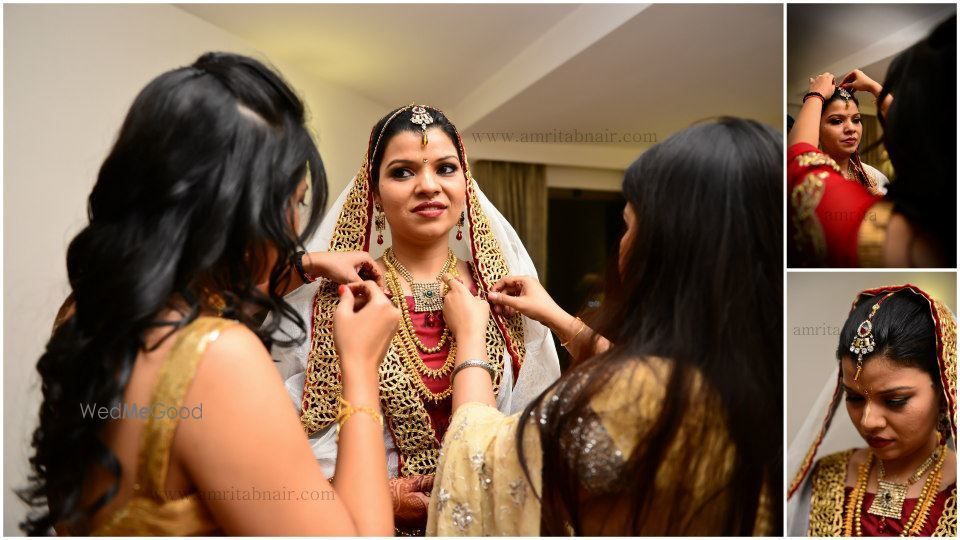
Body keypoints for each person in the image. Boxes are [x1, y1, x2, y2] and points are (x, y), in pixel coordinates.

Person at [19, 52, 400, 536]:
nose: (295, 228)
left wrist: (305, 266)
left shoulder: (85, 314)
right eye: (295, 202)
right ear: (244, 209)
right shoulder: (216, 361)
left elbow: (197, 283)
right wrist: (361, 369)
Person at [427, 117, 783, 535]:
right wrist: (561, 319)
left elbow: (480, 463)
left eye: (629, 225)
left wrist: (470, 342)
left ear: (668, 248)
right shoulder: (756, 368)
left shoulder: (639, 395)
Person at [270, 104, 561, 532]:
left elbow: (533, 436)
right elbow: (286, 448)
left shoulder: (503, 296)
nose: (428, 186)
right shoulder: (343, 298)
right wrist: (373, 496)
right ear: (374, 192)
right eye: (403, 172)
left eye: (445, 168)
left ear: (466, 184)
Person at [787, 15, 956, 267]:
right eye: (836, 121)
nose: (851, 129)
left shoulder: (875, 178)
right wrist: (878, 89)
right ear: (817, 129)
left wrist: (815, 94)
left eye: (856, 119)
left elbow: (798, 158)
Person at [787, 285, 957, 536]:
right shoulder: (821, 479)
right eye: (854, 398)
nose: (868, 421)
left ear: (944, 393)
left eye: (895, 400)